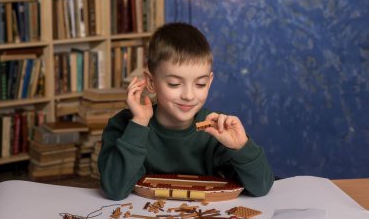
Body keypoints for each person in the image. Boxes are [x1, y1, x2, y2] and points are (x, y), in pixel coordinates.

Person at [98, 22, 274, 200]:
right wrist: (139, 124)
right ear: (151, 82)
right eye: (174, 84)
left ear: (210, 81)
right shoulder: (124, 125)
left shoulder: (218, 130)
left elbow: (261, 187)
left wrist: (241, 146)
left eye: (200, 84)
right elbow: (115, 189)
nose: (189, 95)